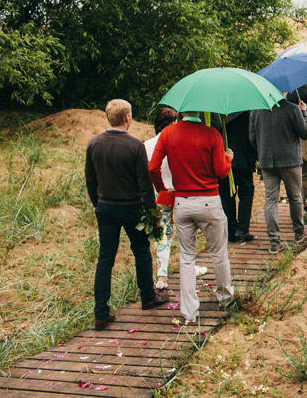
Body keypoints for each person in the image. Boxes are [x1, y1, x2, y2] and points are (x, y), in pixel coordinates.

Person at [86, 99, 169, 331]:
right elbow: (144, 184)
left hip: (105, 207)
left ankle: (101, 312)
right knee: (141, 252)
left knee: (105, 259)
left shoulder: (94, 143)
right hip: (131, 207)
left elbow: (90, 179)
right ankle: (148, 296)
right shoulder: (135, 146)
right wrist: (152, 213)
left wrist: (96, 203)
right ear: (127, 118)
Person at [148, 110, 233, 324]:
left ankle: (189, 310)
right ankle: (225, 297)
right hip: (208, 200)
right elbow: (222, 172)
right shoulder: (212, 135)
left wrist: (163, 189)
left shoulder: (168, 134)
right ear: (201, 111)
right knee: (218, 252)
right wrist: (228, 158)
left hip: (182, 202)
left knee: (187, 258)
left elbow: (152, 167)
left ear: (182, 111)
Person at [249, 93, 307, 254]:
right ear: (284, 92)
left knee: (270, 200)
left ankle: (274, 241)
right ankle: (299, 231)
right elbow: (304, 133)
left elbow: (252, 138)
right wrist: (303, 112)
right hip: (290, 160)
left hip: (267, 161)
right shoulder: (292, 109)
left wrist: (262, 151)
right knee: (295, 197)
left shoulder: (256, 110)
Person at [143, 107, 179, 291]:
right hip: (179, 191)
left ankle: (162, 275)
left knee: (163, 235)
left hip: (158, 193)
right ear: (172, 122)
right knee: (186, 233)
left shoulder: (147, 145)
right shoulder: (178, 142)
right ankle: (188, 267)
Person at [224, 112, 256, 242]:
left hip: (224, 158)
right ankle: (242, 229)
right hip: (244, 157)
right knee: (246, 193)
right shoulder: (247, 111)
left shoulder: (219, 113)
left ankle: (230, 231)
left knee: (227, 195)